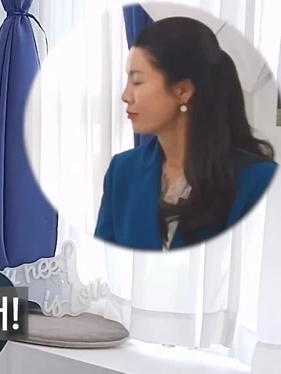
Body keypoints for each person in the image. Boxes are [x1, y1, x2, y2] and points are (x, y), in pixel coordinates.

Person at [94, 16, 277, 251]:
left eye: (137, 82)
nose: (125, 96)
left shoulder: (259, 180)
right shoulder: (122, 171)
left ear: (183, 91)